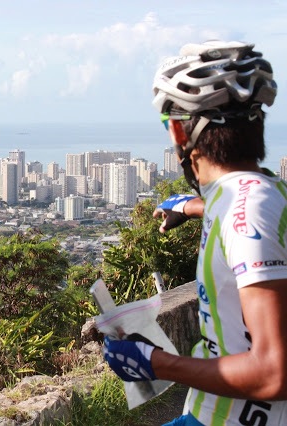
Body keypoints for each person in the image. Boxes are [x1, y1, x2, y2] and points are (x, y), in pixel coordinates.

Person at [103, 40, 287, 425]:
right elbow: (240, 220)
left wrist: (156, 363)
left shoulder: (248, 210)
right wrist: (188, 207)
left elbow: (273, 373)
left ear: (178, 132)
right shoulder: (266, 193)